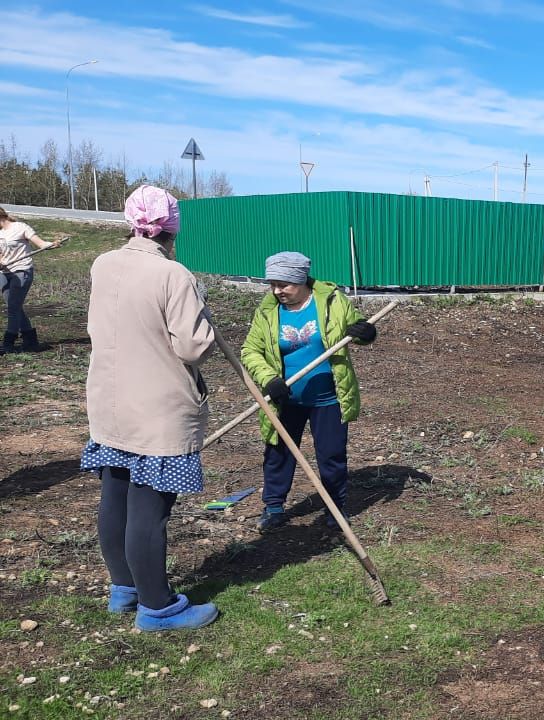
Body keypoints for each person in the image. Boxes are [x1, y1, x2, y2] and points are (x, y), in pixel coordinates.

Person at [81, 185, 219, 632]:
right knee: (149, 507)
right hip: (157, 405)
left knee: (116, 492)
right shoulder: (173, 275)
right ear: (172, 229)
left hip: (109, 399)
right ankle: (158, 607)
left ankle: (124, 588)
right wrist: (204, 320)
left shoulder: (104, 264)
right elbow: (194, 346)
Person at [240, 251, 376, 533]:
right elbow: (250, 350)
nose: (277, 291)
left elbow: (356, 329)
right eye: (273, 284)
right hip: (284, 398)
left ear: (300, 281)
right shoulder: (268, 310)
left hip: (329, 398)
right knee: (278, 453)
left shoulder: (332, 300)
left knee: (331, 455)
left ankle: (335, 508)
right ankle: (274, 506)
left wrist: (366, 333)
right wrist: (269, 379)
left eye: (284, 285)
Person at [0, 207, 61, 354]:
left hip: (22, 271)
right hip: (4, 273)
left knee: (13, 307)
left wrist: (51, 244)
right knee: (15, 306)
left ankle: (8, 342)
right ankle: (30, 341)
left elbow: (40, 244)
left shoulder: (20, 227)